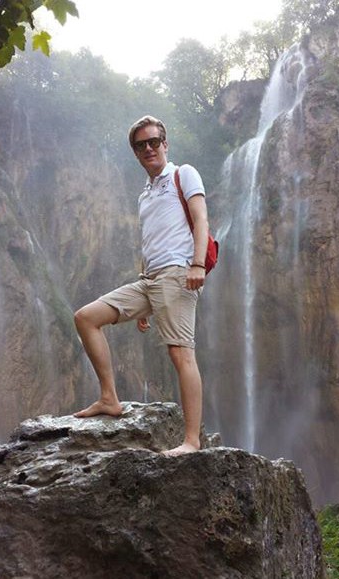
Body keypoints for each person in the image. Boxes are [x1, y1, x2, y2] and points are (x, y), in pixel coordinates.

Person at [73, 115, 209, 456]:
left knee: (181, 354)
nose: (148, 148)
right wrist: (144, 298)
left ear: (165, 144)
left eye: (153, 141)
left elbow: (201, 218)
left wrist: (197, 263)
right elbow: (152, 241)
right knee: (86, 318)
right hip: (149, 281)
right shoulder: (145, 195)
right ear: (135, 153)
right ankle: (109, 399)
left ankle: (192, 441)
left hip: (178, 274)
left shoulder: (183, 173)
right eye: (140, 145)